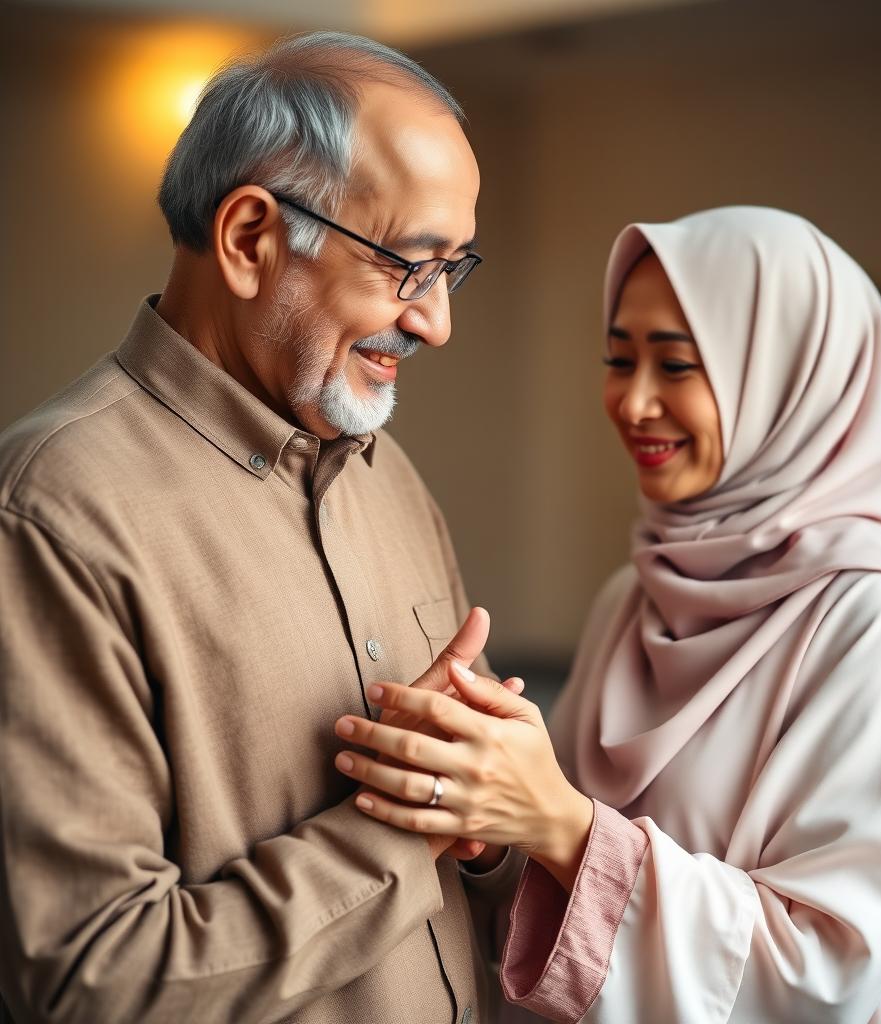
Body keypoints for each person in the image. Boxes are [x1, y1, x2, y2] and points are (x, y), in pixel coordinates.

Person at [333, 207, 881, 1023]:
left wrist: (564, 826)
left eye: (677, 366)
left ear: (787, 381)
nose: (633, 402)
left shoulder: (872, 620)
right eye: (619, 359)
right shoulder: (636, 596)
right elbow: (552, 864)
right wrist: (494, 823)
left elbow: (824, 971)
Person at [0, 30, 523, 1024]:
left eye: (454, 269)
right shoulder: (51, 515)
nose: (436, 322)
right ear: (249, 238)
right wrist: (402, 827)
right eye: (410, 266)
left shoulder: (389, 475)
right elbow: (90, 982)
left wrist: (486, 812)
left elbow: (474, 862)